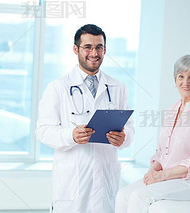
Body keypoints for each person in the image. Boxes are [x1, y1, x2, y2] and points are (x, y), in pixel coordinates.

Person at [35, 24, 135, 213]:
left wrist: (124, 137)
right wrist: (70, 136)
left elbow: (129, 128)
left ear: (105, 50)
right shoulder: (58, 87)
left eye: (99, 47)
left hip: (105, 178)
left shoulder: (118, 87)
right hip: (72, 180)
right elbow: (42, 131)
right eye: (88, 47)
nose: (94, 53)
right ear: (76, 49)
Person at [115, 55, 190, 213]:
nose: (185, 82)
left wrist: (162, 176)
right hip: (173, 176)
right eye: (181, 76)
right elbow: (162, 152)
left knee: (139, 196)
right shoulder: (173, 109)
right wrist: (153, 170)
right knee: (123, 195)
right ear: (175, 79)